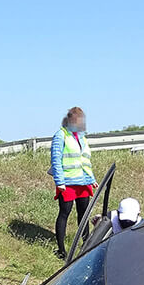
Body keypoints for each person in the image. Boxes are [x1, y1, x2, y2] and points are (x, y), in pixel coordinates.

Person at [50, 107, 97, 259]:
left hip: (82, 181)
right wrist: (59, 181)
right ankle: (62, 250)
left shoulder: (81, 137)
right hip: (67, 183)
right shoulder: (60, 135)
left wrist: (91, 179)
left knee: (83, 214)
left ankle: (86, 246)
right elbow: (56, 160)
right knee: (65, 213)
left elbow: (85, 160)